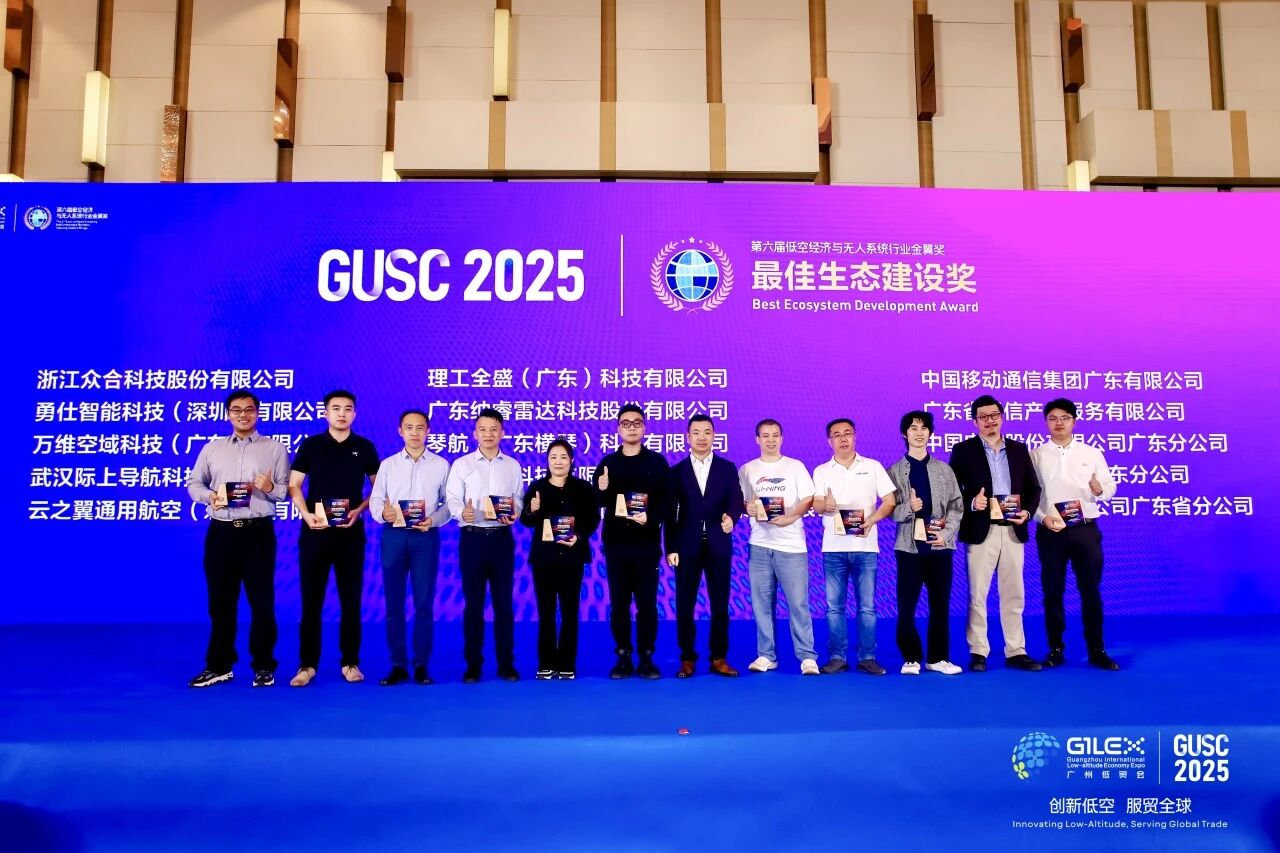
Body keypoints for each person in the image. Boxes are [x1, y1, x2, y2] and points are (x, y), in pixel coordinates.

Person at [184, 389, 291, 688]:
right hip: (221, 532)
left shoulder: (275, 449)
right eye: (236, 410)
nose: (243, 414)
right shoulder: (212, 448)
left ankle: (264, 666)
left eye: (249, 409)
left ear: (258, 413)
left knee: (262, 602)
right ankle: (219, 665)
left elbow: (284, 492)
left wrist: (269, 487)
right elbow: (194, 483)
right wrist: (210, 497)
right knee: (220, 602)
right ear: (228, 414)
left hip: (258, 533)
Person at [287, 390, 379, 687]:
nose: (342, 413)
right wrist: (305, 514)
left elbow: (378, 489)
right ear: (325, 413)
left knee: (350, 601)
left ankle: (350, 662)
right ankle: (307, 665)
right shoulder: (311, 445)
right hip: (315, 533)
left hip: (350, 535)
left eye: (348, 409)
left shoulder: (364, 447)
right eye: (336, 408)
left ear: (355, 414)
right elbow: (294, 485)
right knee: (311, 601)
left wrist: (359, 510)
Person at [948, 394, 1043, 673]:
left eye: (994, 416)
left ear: (1002, 417)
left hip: (1013, 529)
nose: (989, 421)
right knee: (978, 594)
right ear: (975, 422)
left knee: (1014, 593)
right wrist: (971, 502)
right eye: (983, 417)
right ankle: (978, 651)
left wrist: (1027, 512)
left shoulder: (1018, 449)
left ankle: (1016, 650)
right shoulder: (963, 450)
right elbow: (952, 492)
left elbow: (1034, 488)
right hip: (982, 530)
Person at [1031, 398, 1119, 670]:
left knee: (1090, 591)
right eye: (1053, 418)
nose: (1059, 423)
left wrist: (1100, 489)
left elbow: (1109, 486)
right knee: (1052, 592)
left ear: (1074, 421)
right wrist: (1042, 518)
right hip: (1051, 531)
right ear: (1046, 422)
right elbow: (1030, 496)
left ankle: (1097, 650)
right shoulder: (1036, 455)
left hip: (1085, 530)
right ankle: (1056, 649)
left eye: (1065, 417)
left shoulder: (1091, 453)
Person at [368, 409, 451, 686]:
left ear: (428, 431)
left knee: (424, 603)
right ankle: (398, 665)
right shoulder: (388, 465)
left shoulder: (441, 465)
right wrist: (383, 513)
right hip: (393, 536)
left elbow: (449, 504)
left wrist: (433, 520)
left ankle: (421, 665)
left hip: (424, 538)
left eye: (420, 427)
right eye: (409, 427)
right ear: (400, 431)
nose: (414, 432)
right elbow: (376, 500)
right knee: (394, 604)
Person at [592, 404, 673, 679]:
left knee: (647, 604)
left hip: (647, 545)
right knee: (619, 604)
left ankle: (647, 657)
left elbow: (668, 503)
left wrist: (650, 518)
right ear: (618, 429)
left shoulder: (657, 463)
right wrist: (601, 489)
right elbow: (597, 502)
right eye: (626, 423)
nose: (631, 428)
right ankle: (623, 656)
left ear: (644, 427)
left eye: (637, 423)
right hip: (616, 545)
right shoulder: (608, 464)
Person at [811, 418, 896, 676]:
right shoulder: (822, 470)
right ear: (830, 441)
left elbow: (889, 501)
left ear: (855, 436)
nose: (843, 438)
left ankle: (868, 657)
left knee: (867, 607)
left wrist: (872, 520)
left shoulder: (872, 466)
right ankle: (837, 657)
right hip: (833, 548)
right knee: (834, 607)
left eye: (847, 433)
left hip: (865, 547)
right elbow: (816, 505)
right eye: (836, 435)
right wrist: (825, 505)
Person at [446, 407, 526, 683]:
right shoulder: (462, 465)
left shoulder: (512, 465)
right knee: (474, 604)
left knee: (504, 604)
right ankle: (473, 665)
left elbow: (518, 498)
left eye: (494, 429)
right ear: (475, 433)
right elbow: (453, 499)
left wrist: (515, 512)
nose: (488, 434)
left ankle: (506, 664)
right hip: (473, 539)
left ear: (502, 433)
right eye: (483, 429)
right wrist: (462, 512)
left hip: (502, 539)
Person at [665, 415, 744, 678]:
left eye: (707, 432)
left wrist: (732, 518)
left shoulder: (727, 468)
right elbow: (670, 513)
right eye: (696, 432)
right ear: (687, 437)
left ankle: (718, 657)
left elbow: (736, 499)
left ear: (714, 436)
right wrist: (670, 547)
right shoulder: (676, 471)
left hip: (718, 544)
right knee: (685, 605)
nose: (702, 437)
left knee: (720, 605)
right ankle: (687, 658)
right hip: (686, 546)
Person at [739, 418, 819, 676]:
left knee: (798, 604)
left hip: (791, 546)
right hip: (759, 545)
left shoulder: (795, 467)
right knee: (761, 605)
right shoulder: (747, 469)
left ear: (782, 438)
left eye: (775, 435)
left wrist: (791, 517)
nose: (770, 440)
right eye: (765, 435)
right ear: (757, 439)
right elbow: (741, 502)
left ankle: (807, 656)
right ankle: (766, 655)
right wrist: (747, 508)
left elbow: (808, 499)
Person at [887, 410, 964, 676]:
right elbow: (890, 511)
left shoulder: (944, 469)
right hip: (908, 548)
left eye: (923, 428)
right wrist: (909, 507)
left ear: (930, 433)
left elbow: (956, 506)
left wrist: (947, 533)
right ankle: (911, 657)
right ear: (904, 434)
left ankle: (938, 657)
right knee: (906, 606)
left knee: (940, 605)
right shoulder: (894, 471)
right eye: (913, 428)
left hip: (940, 546)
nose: (919, 433)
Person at [519, 439, 600, 680]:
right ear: (547, 461)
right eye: (553, 457)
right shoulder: (537, 487)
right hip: (544, 559)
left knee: (569, 612)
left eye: (563, 457)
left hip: (572, 558)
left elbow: (593, 518)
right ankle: (546, 663)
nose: (558, 462)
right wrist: (532, 509)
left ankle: (566, 663)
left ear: (571, 460)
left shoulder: (583, 488)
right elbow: (526, 521)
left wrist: (579, 536)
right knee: (546, 612)